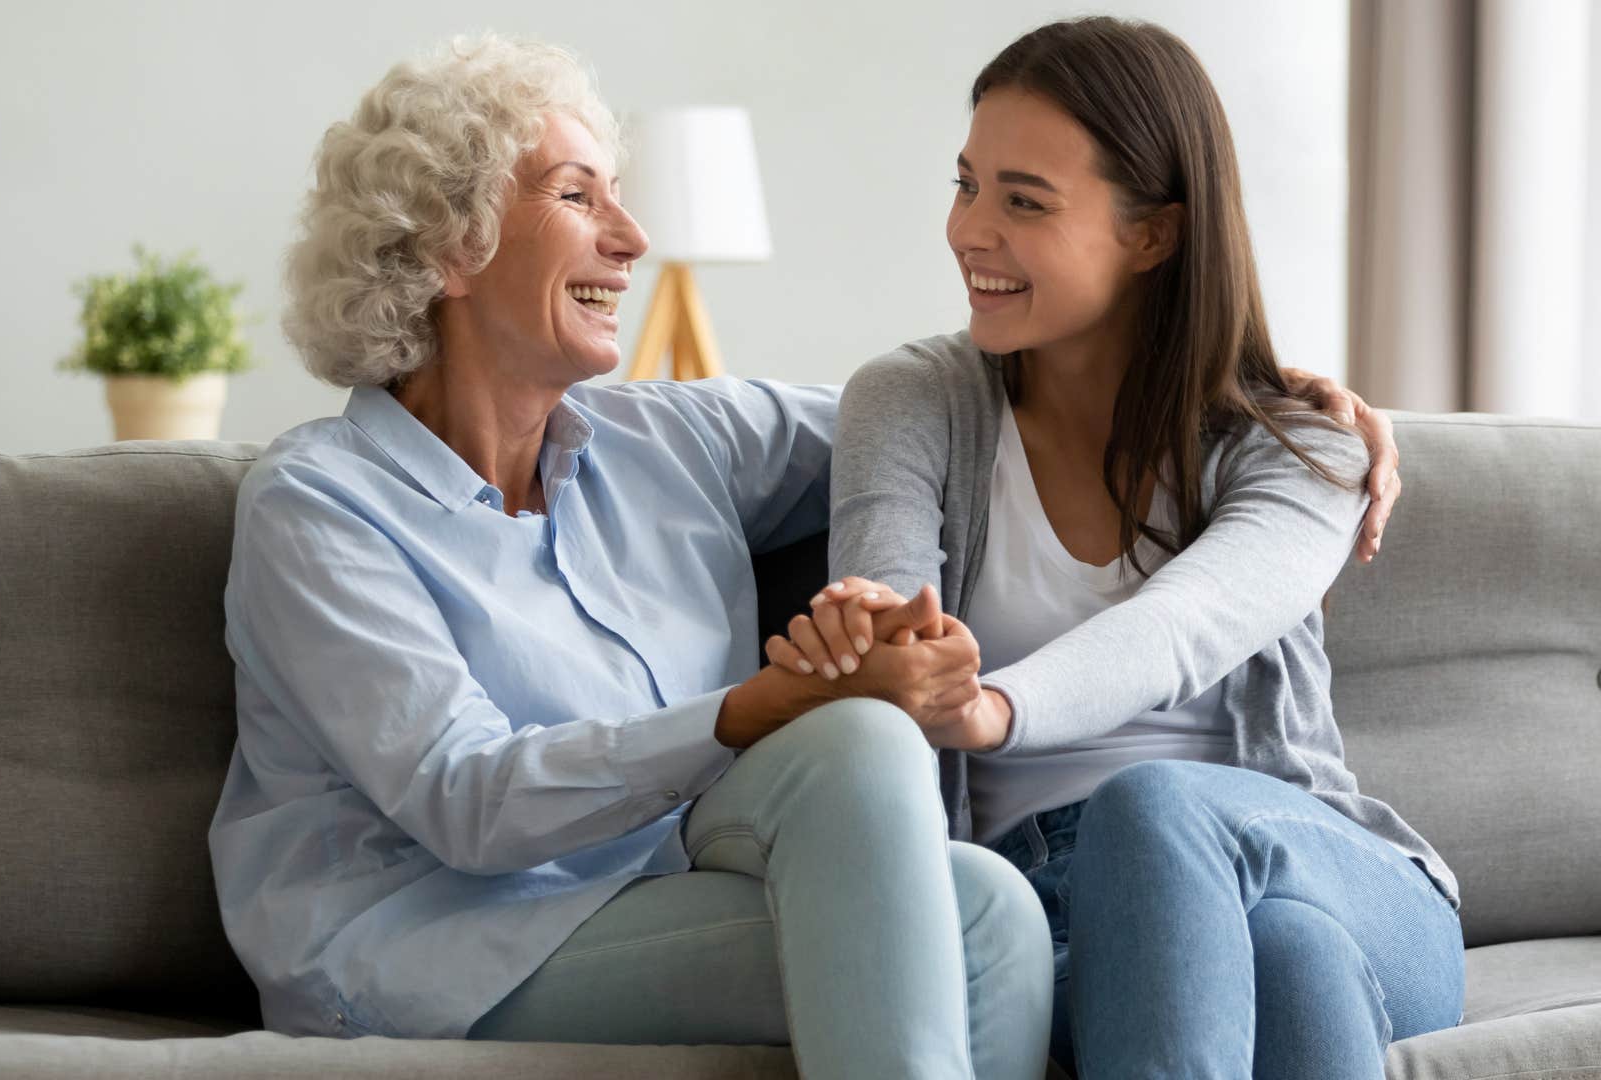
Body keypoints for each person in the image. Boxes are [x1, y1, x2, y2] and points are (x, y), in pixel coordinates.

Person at [206, 34, 1054, 1079]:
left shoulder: (669, 442)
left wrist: (1226, 397)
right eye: (578, 197)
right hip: (430, 949)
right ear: (448, 247)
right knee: (917, 836)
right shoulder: (320, 506)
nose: (634, 236)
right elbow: (466, 797)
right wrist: (762, 705)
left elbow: (925, 412)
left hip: (650, 888)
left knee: (995, 904)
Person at [769, 17, 1461, 1079]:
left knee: (1165, 812)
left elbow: (1183, 628)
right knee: (1287, 961)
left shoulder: (1306, 447)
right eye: (967, 186)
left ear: (1152, 236)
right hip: (1044, 900)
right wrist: (884, 655)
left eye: (1024, 201)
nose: (969, 231)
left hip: (1325, 869)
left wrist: (990, 708)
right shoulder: (909, 404)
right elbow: (888, 632)